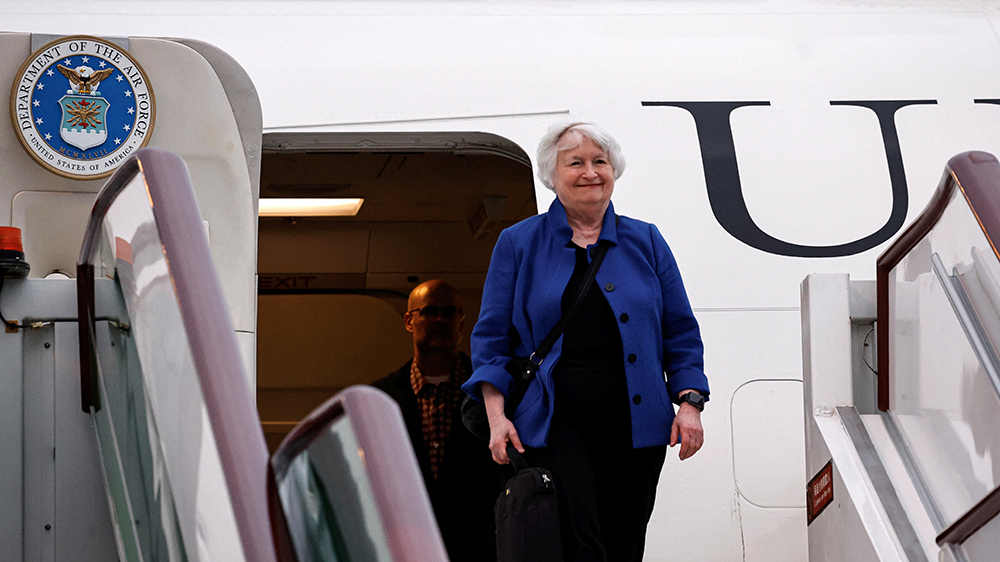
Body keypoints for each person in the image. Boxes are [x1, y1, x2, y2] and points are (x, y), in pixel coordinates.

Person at [461, 123, 710, 562]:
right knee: (581, 540)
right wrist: (497, 418)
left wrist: (689, 404)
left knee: (624, 541)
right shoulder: (518, 243)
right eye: (575, 163)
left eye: (600, 162)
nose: (590, 172)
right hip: (555, 420)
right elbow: (491, 340)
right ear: (552, 177)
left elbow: (680, 332)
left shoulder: (646, 240)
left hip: (636, 423)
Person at [371, 280, 500, 562]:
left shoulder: (490, 393)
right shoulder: (380, 399)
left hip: (479, 548)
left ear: (461, 322)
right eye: (429, 312)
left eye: (449, 312)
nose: (440, 319)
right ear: (409, 321)